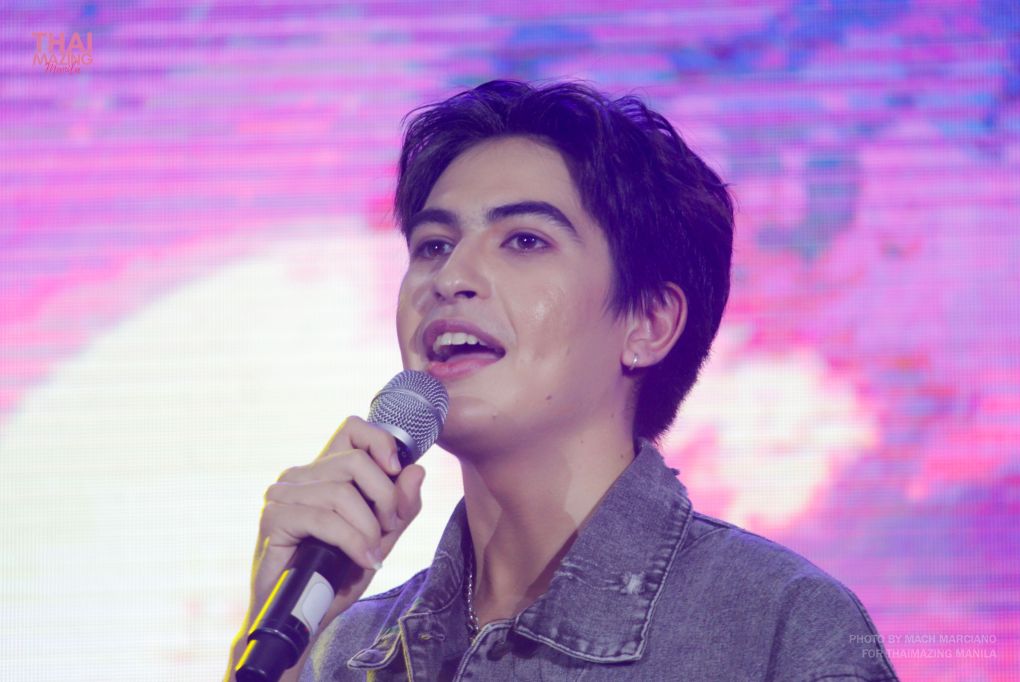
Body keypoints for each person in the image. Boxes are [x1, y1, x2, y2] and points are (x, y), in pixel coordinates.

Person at [226, 80, 899, 681]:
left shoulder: (778, 630)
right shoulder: (347, 654)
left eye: (524, 240)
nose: (451, 277)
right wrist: (274, 646)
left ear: (648, 323)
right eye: (434, 245)